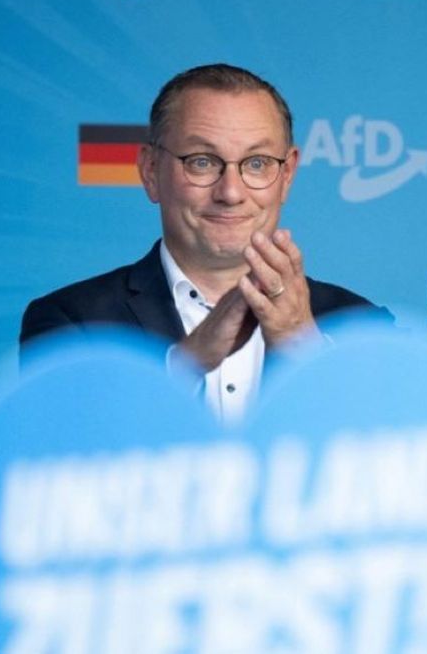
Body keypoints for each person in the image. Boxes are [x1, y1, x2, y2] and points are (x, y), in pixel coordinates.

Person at [21, 63, 383, 422]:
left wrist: (303, 348)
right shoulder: (71, 322)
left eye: (257, 163)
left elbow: (394, 462)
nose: (230, 192)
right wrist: (184, 365)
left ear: (286, 175)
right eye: (202, 162)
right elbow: (63, 455)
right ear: (150, 171)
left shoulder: (363, 326)